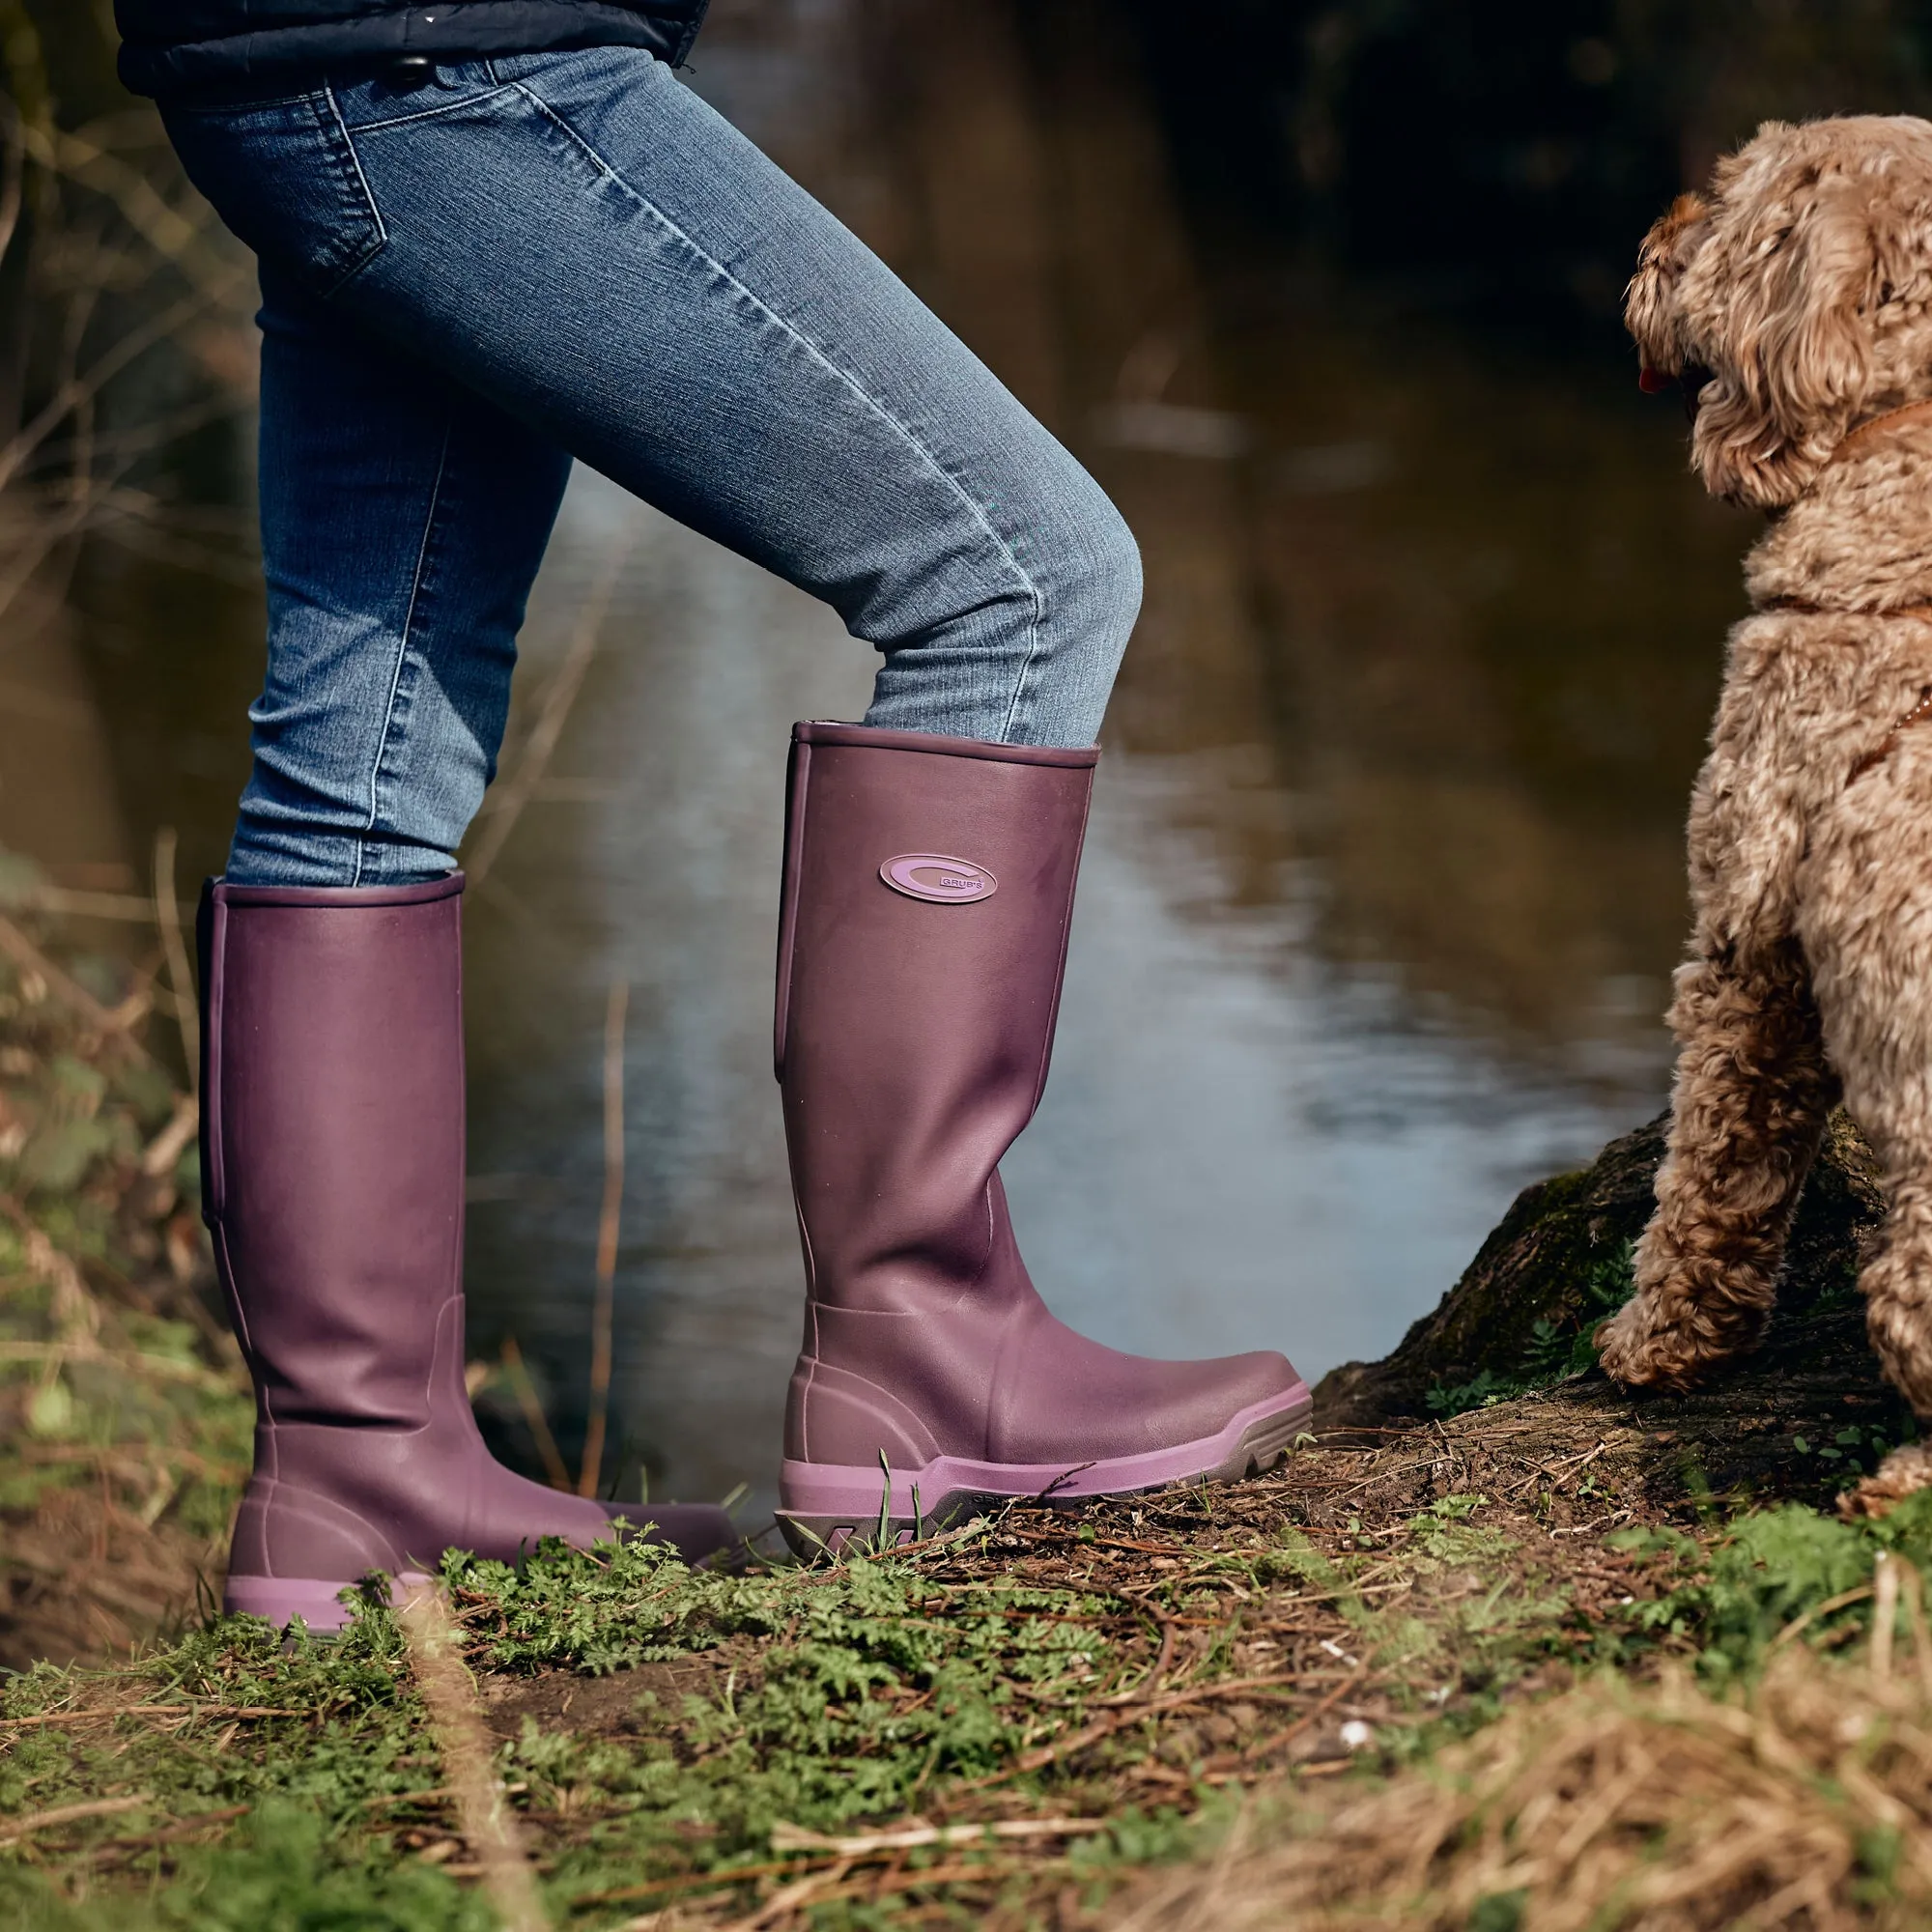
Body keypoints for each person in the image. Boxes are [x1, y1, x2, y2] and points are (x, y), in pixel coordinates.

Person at [114, 0, 1313, 1625]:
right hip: (457, 64)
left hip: (302, 65)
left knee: (362, 772)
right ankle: (926, 1363)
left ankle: (355, 1470)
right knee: (1019, 581)